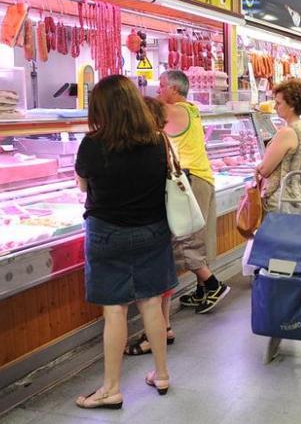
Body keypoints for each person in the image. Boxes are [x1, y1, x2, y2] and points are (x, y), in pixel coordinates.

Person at [74, 75, 176, 409]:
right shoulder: (158, 140)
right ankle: (161, 374)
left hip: (107, 233)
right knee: (151, 303)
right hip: (152, 230)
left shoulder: (92, 143)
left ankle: (111, 388)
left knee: (114, 310)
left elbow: (82, 187)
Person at [157, 70, 228, 315]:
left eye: (162, 85)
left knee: (185, 237)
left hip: (190, 180)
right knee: (199, 235)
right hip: (202, 177)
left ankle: (214, 285)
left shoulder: (173, 110)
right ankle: (201, 291)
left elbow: (140, 112)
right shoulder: (191, 108)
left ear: (174, 88)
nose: (158, 90)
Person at [124, 97, 178, 356]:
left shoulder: (150, 142)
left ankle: (153, 334)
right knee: (163, 278)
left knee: (152, 290)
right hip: (164, 216)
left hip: (149, 220)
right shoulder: (163, 140)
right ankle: (164, 326)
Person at [255, 79, 301, 212]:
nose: (275, 107)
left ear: (291, 105)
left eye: (278, 103)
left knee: (275, 232)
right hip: (292, 193)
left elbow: (265, 170)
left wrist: (258, 168)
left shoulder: (287, 132)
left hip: (279, 198)